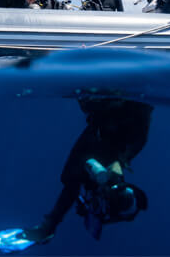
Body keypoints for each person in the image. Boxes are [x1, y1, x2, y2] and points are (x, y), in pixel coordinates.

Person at [21, 95, 152, 244]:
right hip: (109, 125)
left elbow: (72, 188)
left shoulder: (114, 149)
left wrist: (50, 225)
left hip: (106, 131)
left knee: (75, 178)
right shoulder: (132, 135)